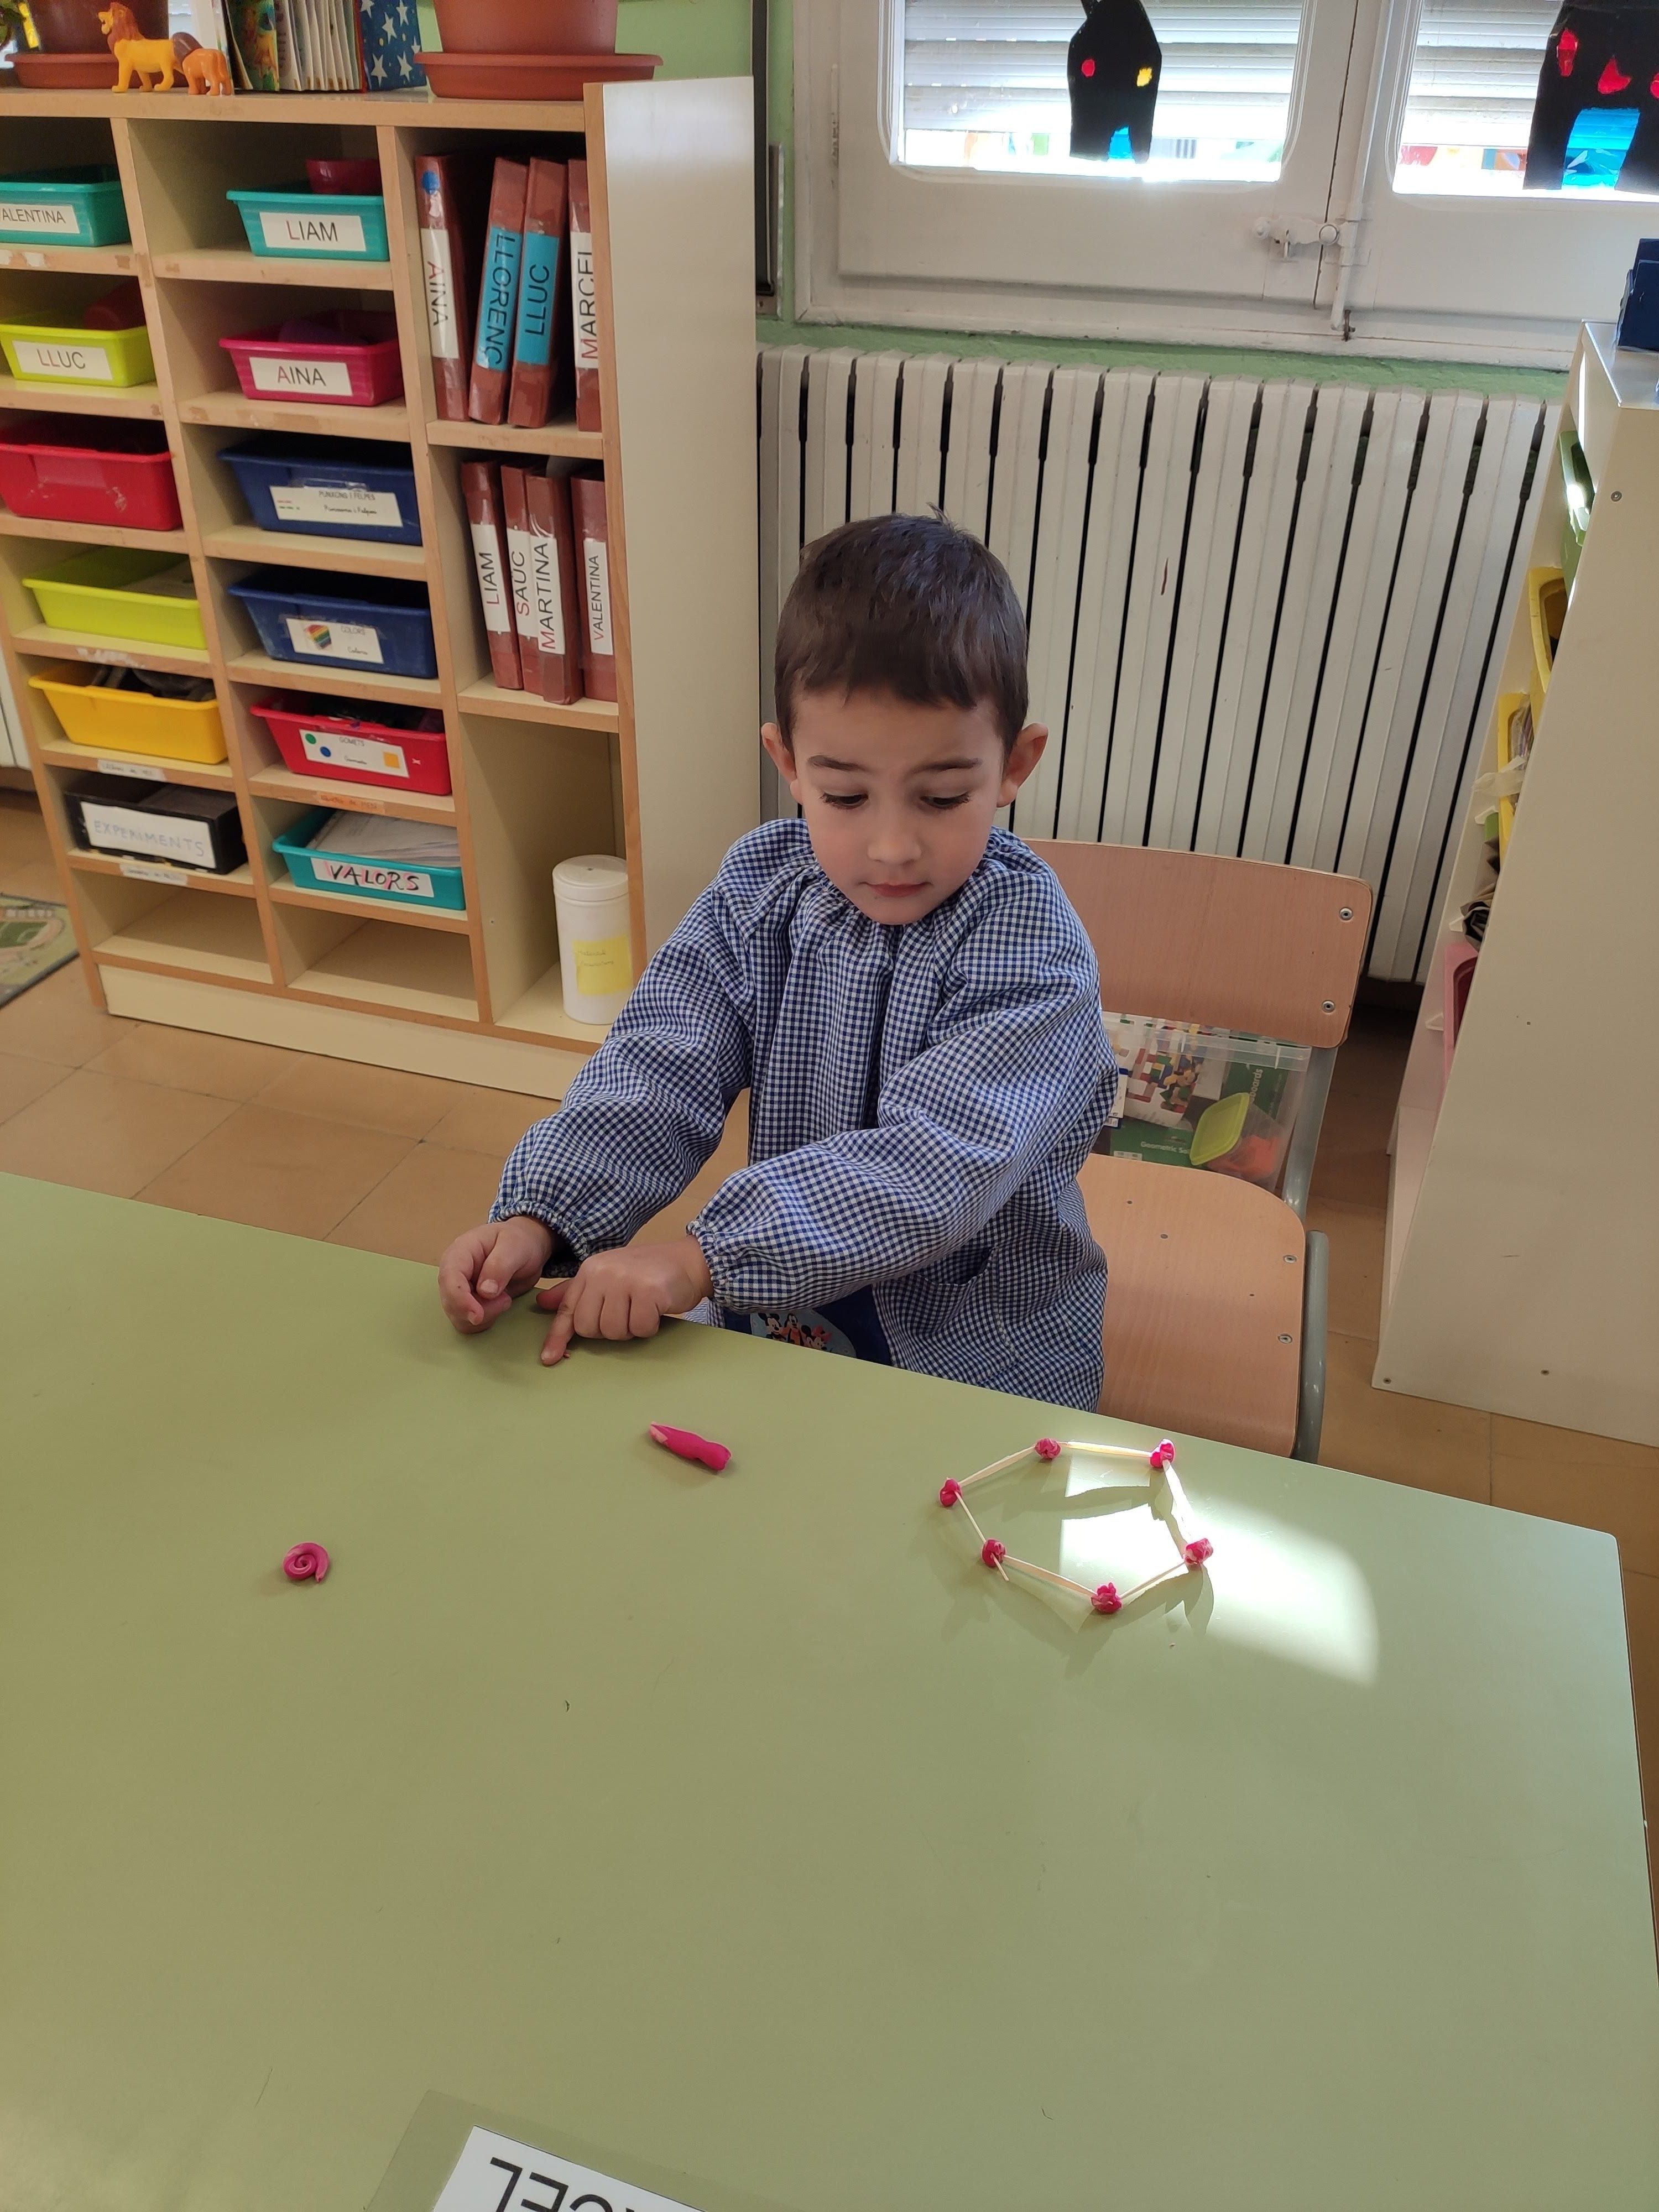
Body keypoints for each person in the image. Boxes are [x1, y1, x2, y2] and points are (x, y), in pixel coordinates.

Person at [437, 512, 1118, 1408]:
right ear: (787, 762)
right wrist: (544, 1214)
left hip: (974, 1354)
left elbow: (931, 1169)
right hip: (784, 1319)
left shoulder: (1031, 947)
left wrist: (704, 1257)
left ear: (1014, 765)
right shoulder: (761, 891)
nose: (891, 847)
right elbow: (659, 1065)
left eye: (943, 797)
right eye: (845, 796)